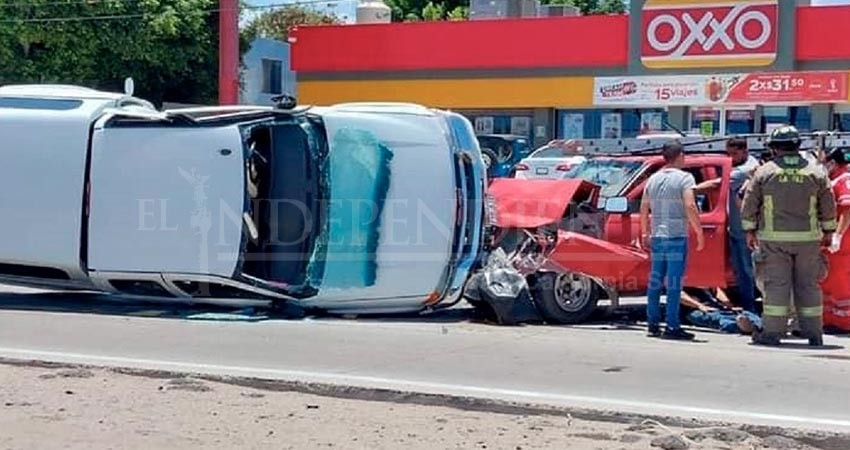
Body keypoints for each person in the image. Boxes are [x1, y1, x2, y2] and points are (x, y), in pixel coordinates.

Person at [740, 125, 837, 346]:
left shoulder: (765, 172)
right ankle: (814, 333)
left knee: (777, 286)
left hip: (774, 241)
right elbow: (828, 206)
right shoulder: (816, 172)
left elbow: (749, 204)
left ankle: (772, 334)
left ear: (774, 148)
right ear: (797, 145)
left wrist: (749, 231)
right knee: (808, 285)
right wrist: (829, 231)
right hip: (809, 240)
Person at [640, 140, 705, 341]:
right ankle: (672, 326)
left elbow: (643, 208)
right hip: (676, 236)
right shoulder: (685, 178)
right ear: (680, 156)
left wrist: (644, 233)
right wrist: (699, 232)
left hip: (658, 236)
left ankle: (652, 324)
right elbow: (690, 206)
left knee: (655, 281)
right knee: (674, 284)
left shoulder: (653, 179)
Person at [695, 137, 759, 312]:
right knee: (741, 272)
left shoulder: (745, 170)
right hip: (736, 229)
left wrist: (688, 190)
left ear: (745, 151)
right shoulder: (743, 165)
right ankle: (747, 305)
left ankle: (750, 308)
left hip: (746, 231)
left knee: (746, 271)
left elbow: (717, 184)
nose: (731, 157)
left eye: (735, 154)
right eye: (728, 154)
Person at [821, 147, 850, 331]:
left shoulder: (844, 180)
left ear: (833, 162)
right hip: (832, 243)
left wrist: (838, 236)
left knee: (840, 282)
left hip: (843, 243)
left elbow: (847, 210)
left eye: (824, 161)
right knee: (828, 280)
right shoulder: (833, 181)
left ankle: (844, 321)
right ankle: (830, 320)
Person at [681, 287, 763, 334]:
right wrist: (700, 306)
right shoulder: (681, 277)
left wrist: (729, 305)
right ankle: (742, 327)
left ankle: (760, 325)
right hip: (692, 309)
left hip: (714, 305)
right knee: (718, 318)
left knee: (744, 312)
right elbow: (680, 295)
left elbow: (716, 289)